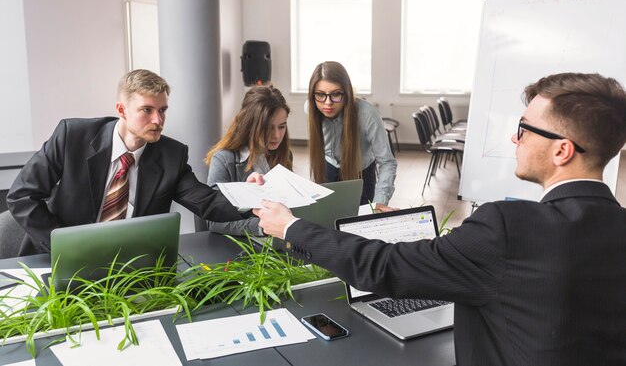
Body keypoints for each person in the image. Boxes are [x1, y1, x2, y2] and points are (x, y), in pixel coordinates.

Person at [253, 72, 626, 366]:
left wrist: (291, 227)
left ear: (562, 150)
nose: (515, 140)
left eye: (525, 129)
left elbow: (385, 267)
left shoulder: (509, 227)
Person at [7, 69, 243, 256]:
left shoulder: (172, 155)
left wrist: (257, 200)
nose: (158, 120)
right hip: (60, 259)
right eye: (147, 110)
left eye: (162, 110)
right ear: (122, 109)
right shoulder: (72, 136)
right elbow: (21, 196)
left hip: (129, 268)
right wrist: (63, 246)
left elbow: (207, 202)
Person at [307, 61, 397, 211]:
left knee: (358, 224)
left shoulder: (367, 114)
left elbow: (387, 161)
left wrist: (380, 201)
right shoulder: (311, 107)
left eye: (336, 94)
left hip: (360, 174)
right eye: (321, 94)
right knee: (328, 221)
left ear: (346, 92)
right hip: (327, 168)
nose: (327, 103)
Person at [204, 85, 292, 236]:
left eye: (282, 127)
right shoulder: (224, 159)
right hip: (242, 247)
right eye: (268, 128)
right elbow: (213, 221)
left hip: (279, 242)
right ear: (250, 125)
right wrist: (264, 227)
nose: (277, 136)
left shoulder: (284, 155)